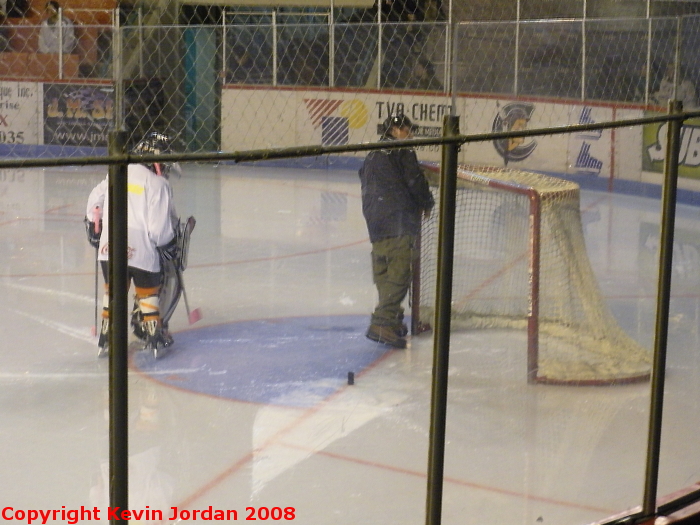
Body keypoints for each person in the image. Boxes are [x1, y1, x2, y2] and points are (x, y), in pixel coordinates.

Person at [84, 132, 180, 359]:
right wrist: (168, 244)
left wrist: (94, 227)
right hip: (142, 251)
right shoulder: (157, 185)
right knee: (148, 293)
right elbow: (158, 230)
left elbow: (94, 203)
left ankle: (107, 336)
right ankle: (154, 336)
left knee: (113, 293)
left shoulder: (116, 172)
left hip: (110, 247)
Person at [358, 114, 435, 349]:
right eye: (407, 130)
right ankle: (381, 322)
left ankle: (391, 319)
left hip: (375, 219)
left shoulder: (373, 153)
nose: (410, 135)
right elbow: (413, 179)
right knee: (400, 271)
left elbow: (364, 177)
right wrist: (427, 202)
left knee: (385, 268)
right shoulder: (402, 150)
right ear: (395, 130)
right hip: (397, 217)